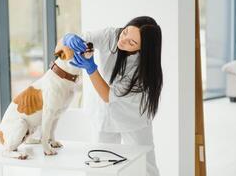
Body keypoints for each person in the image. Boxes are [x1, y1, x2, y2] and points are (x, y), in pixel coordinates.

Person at [63, 16, 163, 176]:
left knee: (144, 165)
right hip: (105, 114)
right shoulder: (111, 35)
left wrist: (91, 68)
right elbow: (83, 39)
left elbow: (108, 95)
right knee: (99, 165)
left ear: (143, 49)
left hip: (132, 115)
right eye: (125, 33)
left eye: (132, 43)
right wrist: (68, 39)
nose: (124, 40)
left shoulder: (141, 71)